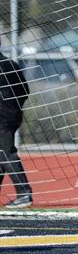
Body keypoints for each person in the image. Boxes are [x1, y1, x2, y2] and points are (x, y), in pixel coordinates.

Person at [0, 44, 33, 208]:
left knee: (6, 153)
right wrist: (14, 105)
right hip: (14, 115)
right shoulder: (11, 64)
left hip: (2, 117)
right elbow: (25, 90)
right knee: (1, 154)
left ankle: (24, 193)